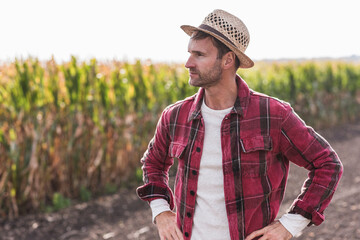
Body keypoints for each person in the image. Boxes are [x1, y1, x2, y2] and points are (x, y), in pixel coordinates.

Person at [136, 9, 343, 240]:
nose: (188, 63)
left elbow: (328, 164)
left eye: (199, 55)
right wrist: (161, 211)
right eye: (189, 53)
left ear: (227, 60)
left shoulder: (273, 115)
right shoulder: (175, 116)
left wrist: (291, 224)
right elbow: (153, 164)